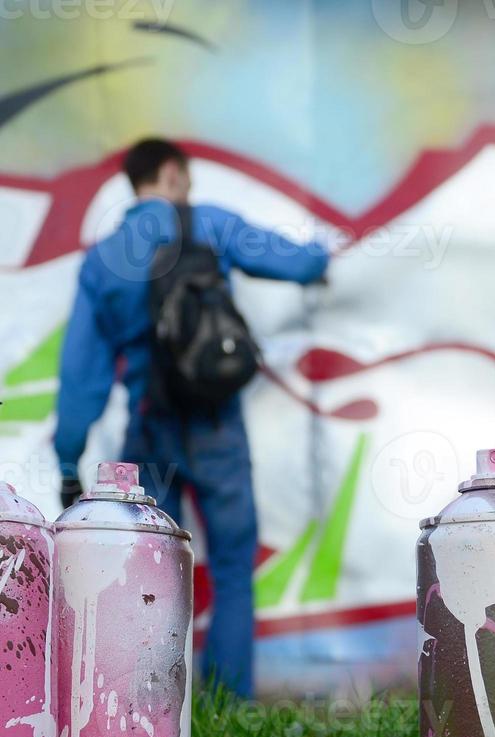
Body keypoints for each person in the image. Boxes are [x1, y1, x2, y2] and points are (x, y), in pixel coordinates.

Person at [54, 137, 329, 698]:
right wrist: (321, 257)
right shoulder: (212, 224)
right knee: (231, 568)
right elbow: (297, 262)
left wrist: (67, 457)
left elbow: (82, 378)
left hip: (150, 429)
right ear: (174, 173)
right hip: (217, 423)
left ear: (137, 183)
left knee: (155, 573)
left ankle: (158, 717)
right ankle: (230, 711)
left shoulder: (102, 260)